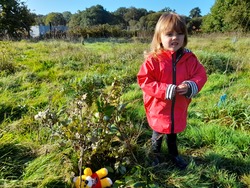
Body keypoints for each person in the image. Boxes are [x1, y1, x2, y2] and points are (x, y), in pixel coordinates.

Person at [137, 12, 207, 169]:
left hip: (178, 106)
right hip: (159, 106)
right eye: (169, 34)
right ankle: (154, 155)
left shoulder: (189, 59)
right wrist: (166, 89)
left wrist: (190, 85)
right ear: (159, 37)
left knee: (172, 133)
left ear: (185, 37)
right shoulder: (154, 59)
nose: (175, 38)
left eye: (179, 34)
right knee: (158, 133)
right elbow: (145, 81)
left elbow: (200, 75)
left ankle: (173, 155)